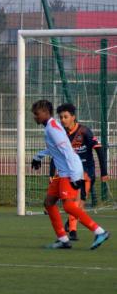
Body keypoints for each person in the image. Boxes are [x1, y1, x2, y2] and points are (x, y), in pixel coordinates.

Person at [30, 100, 110, 250]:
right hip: (63, 172)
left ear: (46, 113)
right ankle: (63, 239)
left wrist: (75, 177)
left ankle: (100, 231)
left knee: (68, 206)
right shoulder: (51, 126)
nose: (35, 117)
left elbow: (67, 150)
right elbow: (56, 149)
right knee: (49, 203)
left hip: (69, 172)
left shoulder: (52, 128)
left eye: (37, 114)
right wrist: (38, 156)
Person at [49, 103, 108, 240]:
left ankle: (74, 230)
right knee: (73, 203)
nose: (63, 120)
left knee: (76, 203)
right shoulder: (61, 134)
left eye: (66, 116)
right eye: (61, 117)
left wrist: (104, 172)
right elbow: (56, 155)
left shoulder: (84, 132)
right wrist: (52, 174)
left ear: (73, 117)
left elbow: (99, 149)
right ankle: (72, 229)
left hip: (86, 173)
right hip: (69, 174)